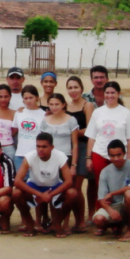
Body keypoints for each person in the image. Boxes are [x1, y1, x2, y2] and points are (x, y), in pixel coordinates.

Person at [12, 133, 78, 237]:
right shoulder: (29, 156)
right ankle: (29, 222)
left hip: (54, 187)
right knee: (16, 192)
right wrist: (40, 194)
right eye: (38, 146)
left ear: (52, 147)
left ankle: (57, 223)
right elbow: (17, 181)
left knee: (73, 193)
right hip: (35, 186)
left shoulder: (60, 155)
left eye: (44, 146)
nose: (40, 149)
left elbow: (69, 181)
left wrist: (50, 195)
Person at [41, 93, 83, 234]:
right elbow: (42, 144)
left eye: (57, 104)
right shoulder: (45, 120)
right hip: (50, 161)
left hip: (67, 159)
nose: (54, 107)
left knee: (68, 192)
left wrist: (74, 165)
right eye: (51, 104)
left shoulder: (71, 120)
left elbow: (75, 144)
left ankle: (65, 223)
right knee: (53, 191)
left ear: (64, 104)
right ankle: (54, 222)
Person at [92, 140, 130, 242]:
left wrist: (113, 193)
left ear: (124, 154)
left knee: (129, 194)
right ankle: (118, 225)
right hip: (115, 206)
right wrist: (110, 210)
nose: (116, 159)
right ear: (108, 156)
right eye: (112, 156)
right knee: (98, 219)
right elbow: (101, 198)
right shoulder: (105, 171)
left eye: (119, 155)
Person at [85, 81, 130, 184]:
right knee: (100, 186)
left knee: (119, 185)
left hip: (119, 156)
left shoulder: (126, 113)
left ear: (118, 94)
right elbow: (91, 137)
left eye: (113, 93)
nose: (110, 95)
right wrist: (88, 158)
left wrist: (129, 159)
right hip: (99, 154)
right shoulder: (97, 112)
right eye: (107, 93)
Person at [66, 76, 95, 223]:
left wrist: (72, 132)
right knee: (68, 186)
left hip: (83, 147)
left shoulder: (87, 105)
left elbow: (90, 129)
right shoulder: (65, 106)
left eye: (75, 87)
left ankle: (80, 221)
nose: (73, 90)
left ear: (82, 88)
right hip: (68, 148)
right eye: (70, 88)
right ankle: (71, 220)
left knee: (77, 187)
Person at [12, 85, 45, 172]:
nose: (28, 101)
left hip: (37, 155)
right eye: (25, 98)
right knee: (19, 182)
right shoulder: (19, 113)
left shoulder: (44, 115)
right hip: (20, 154)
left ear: (37, 98)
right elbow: (14, 131)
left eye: (31, 97)